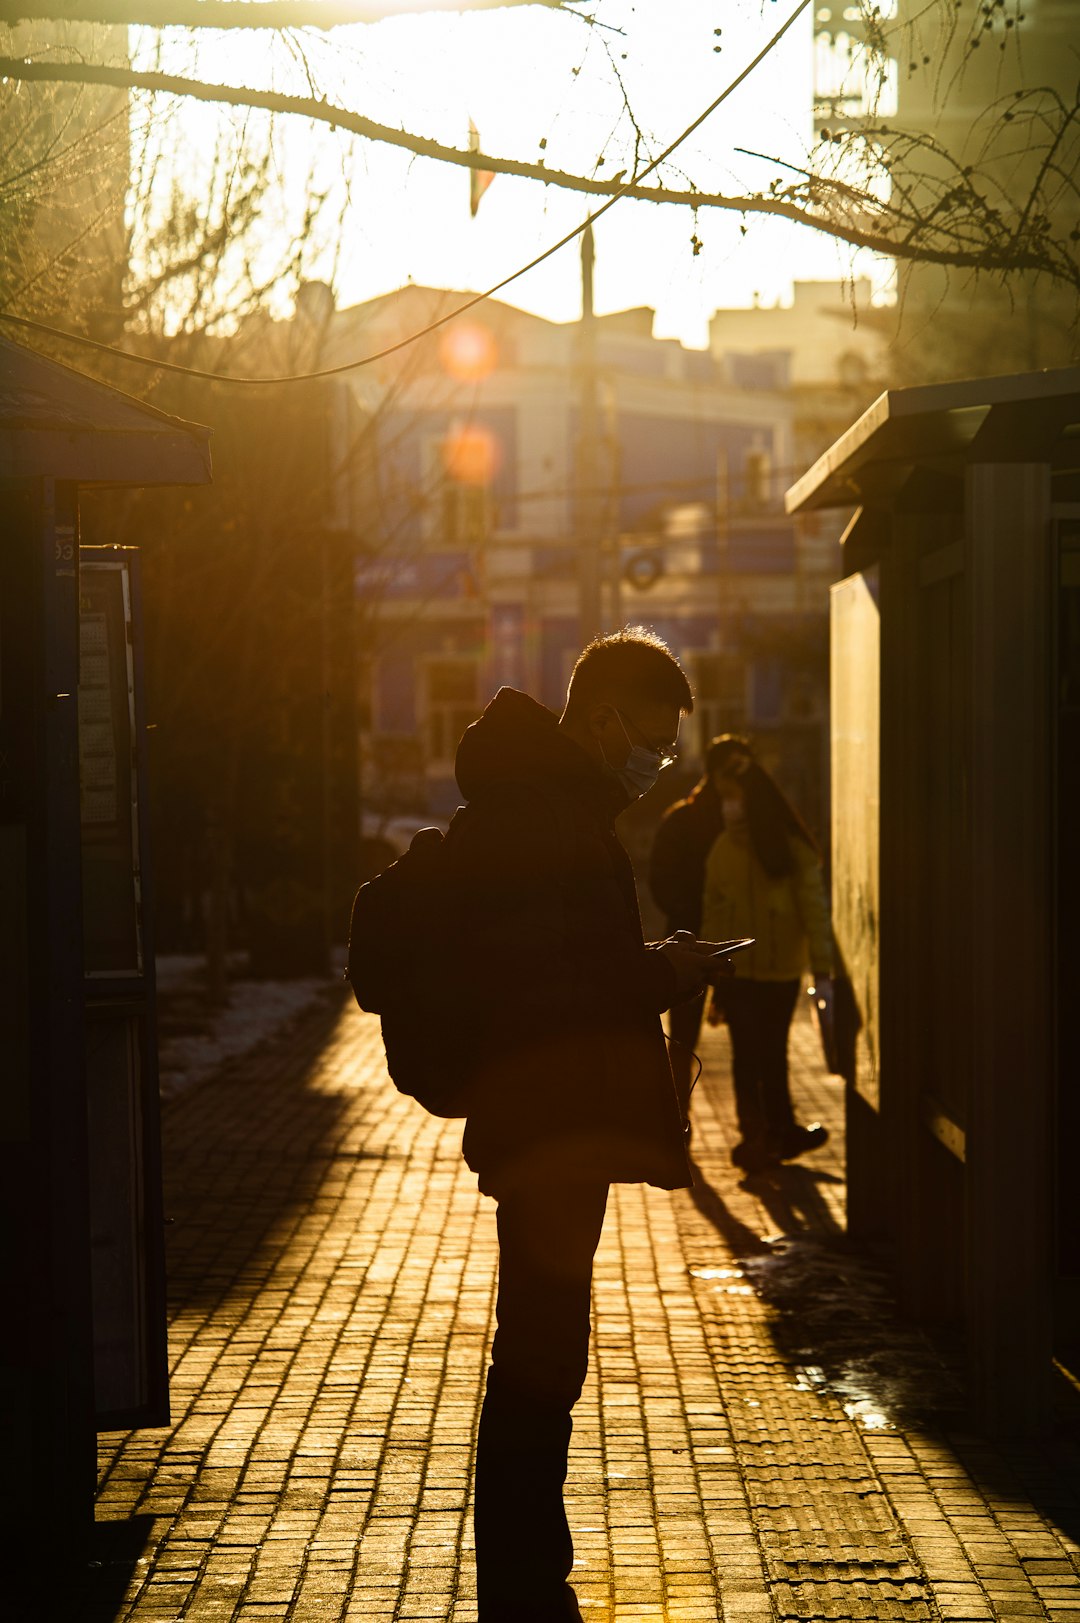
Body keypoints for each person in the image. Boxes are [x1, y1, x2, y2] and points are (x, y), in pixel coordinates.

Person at [444, 629, 726, 1623]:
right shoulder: (547, 819)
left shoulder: (554, 810)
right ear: (601, 715)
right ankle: (522, 1583)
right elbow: (560, 983)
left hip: (552, 1121)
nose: (657, 762)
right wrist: (666, 970)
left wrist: (652, 960)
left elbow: (562, 962)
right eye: (650, 739)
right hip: (548, 1124)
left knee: (546, 1348)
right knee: (539, 1354)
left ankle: (528, 1567)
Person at [700, 735, 834, 1175]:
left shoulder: (790, 849)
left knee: (772, 1054)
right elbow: (713, 919)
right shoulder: (722, 850)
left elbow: (815, 911)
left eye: (733, 797)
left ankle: (778, 1132)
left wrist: (823, 967)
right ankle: (756, 1135)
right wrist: (713, 979)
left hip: (779, 972)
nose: (728, 806)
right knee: (745, 1056)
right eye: (724, 798)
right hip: (740, 974)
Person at [648, 737, 730, 1118]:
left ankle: (756, 1134)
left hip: (734, 945)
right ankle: (677, 1117)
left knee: (749, 1044)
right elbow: (660, 879)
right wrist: (687, 918)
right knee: (682, 1042)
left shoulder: (749, 822)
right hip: (690, 944)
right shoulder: (682, 819)